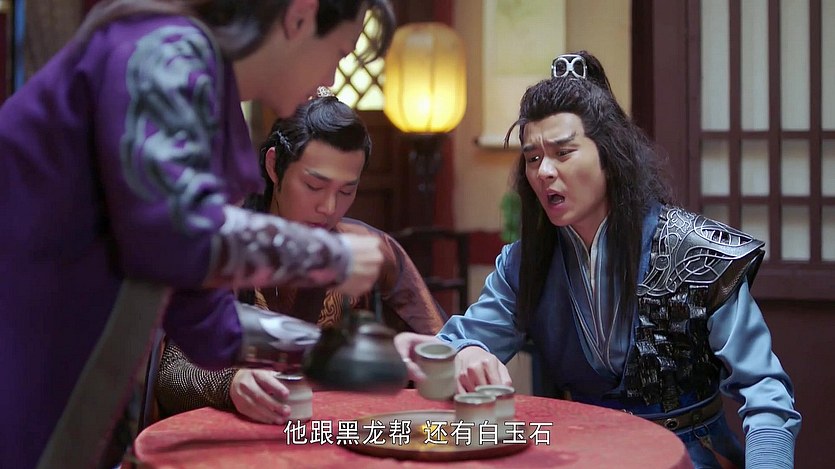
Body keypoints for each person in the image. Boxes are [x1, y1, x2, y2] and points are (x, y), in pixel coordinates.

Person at [0, 1, 396, 468]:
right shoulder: (164, 53)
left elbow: (208, 321)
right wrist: (328, 256)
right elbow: (176, 232)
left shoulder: (202, 99)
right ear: (299, 16)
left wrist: (353, 354)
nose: (331, 76)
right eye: (339, 51)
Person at [397, 51, 801, 468]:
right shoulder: (527, 263)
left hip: (688, 453)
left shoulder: (694, 252)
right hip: (584, 451)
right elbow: (458, 343)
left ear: (609, 155)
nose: (544, 171)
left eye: (563, 152)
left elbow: (766, 392)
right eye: (533, 158)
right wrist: (466, 352)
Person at [155, 93, 448, 424]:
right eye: (313, 186)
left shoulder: (370, 251)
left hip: (339, 436)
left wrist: (447, 356)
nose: (329, 208)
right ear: (274, 166)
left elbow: (440, 346)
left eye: (346, 191)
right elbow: (170, 374)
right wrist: (230, 383)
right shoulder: (228, 245)